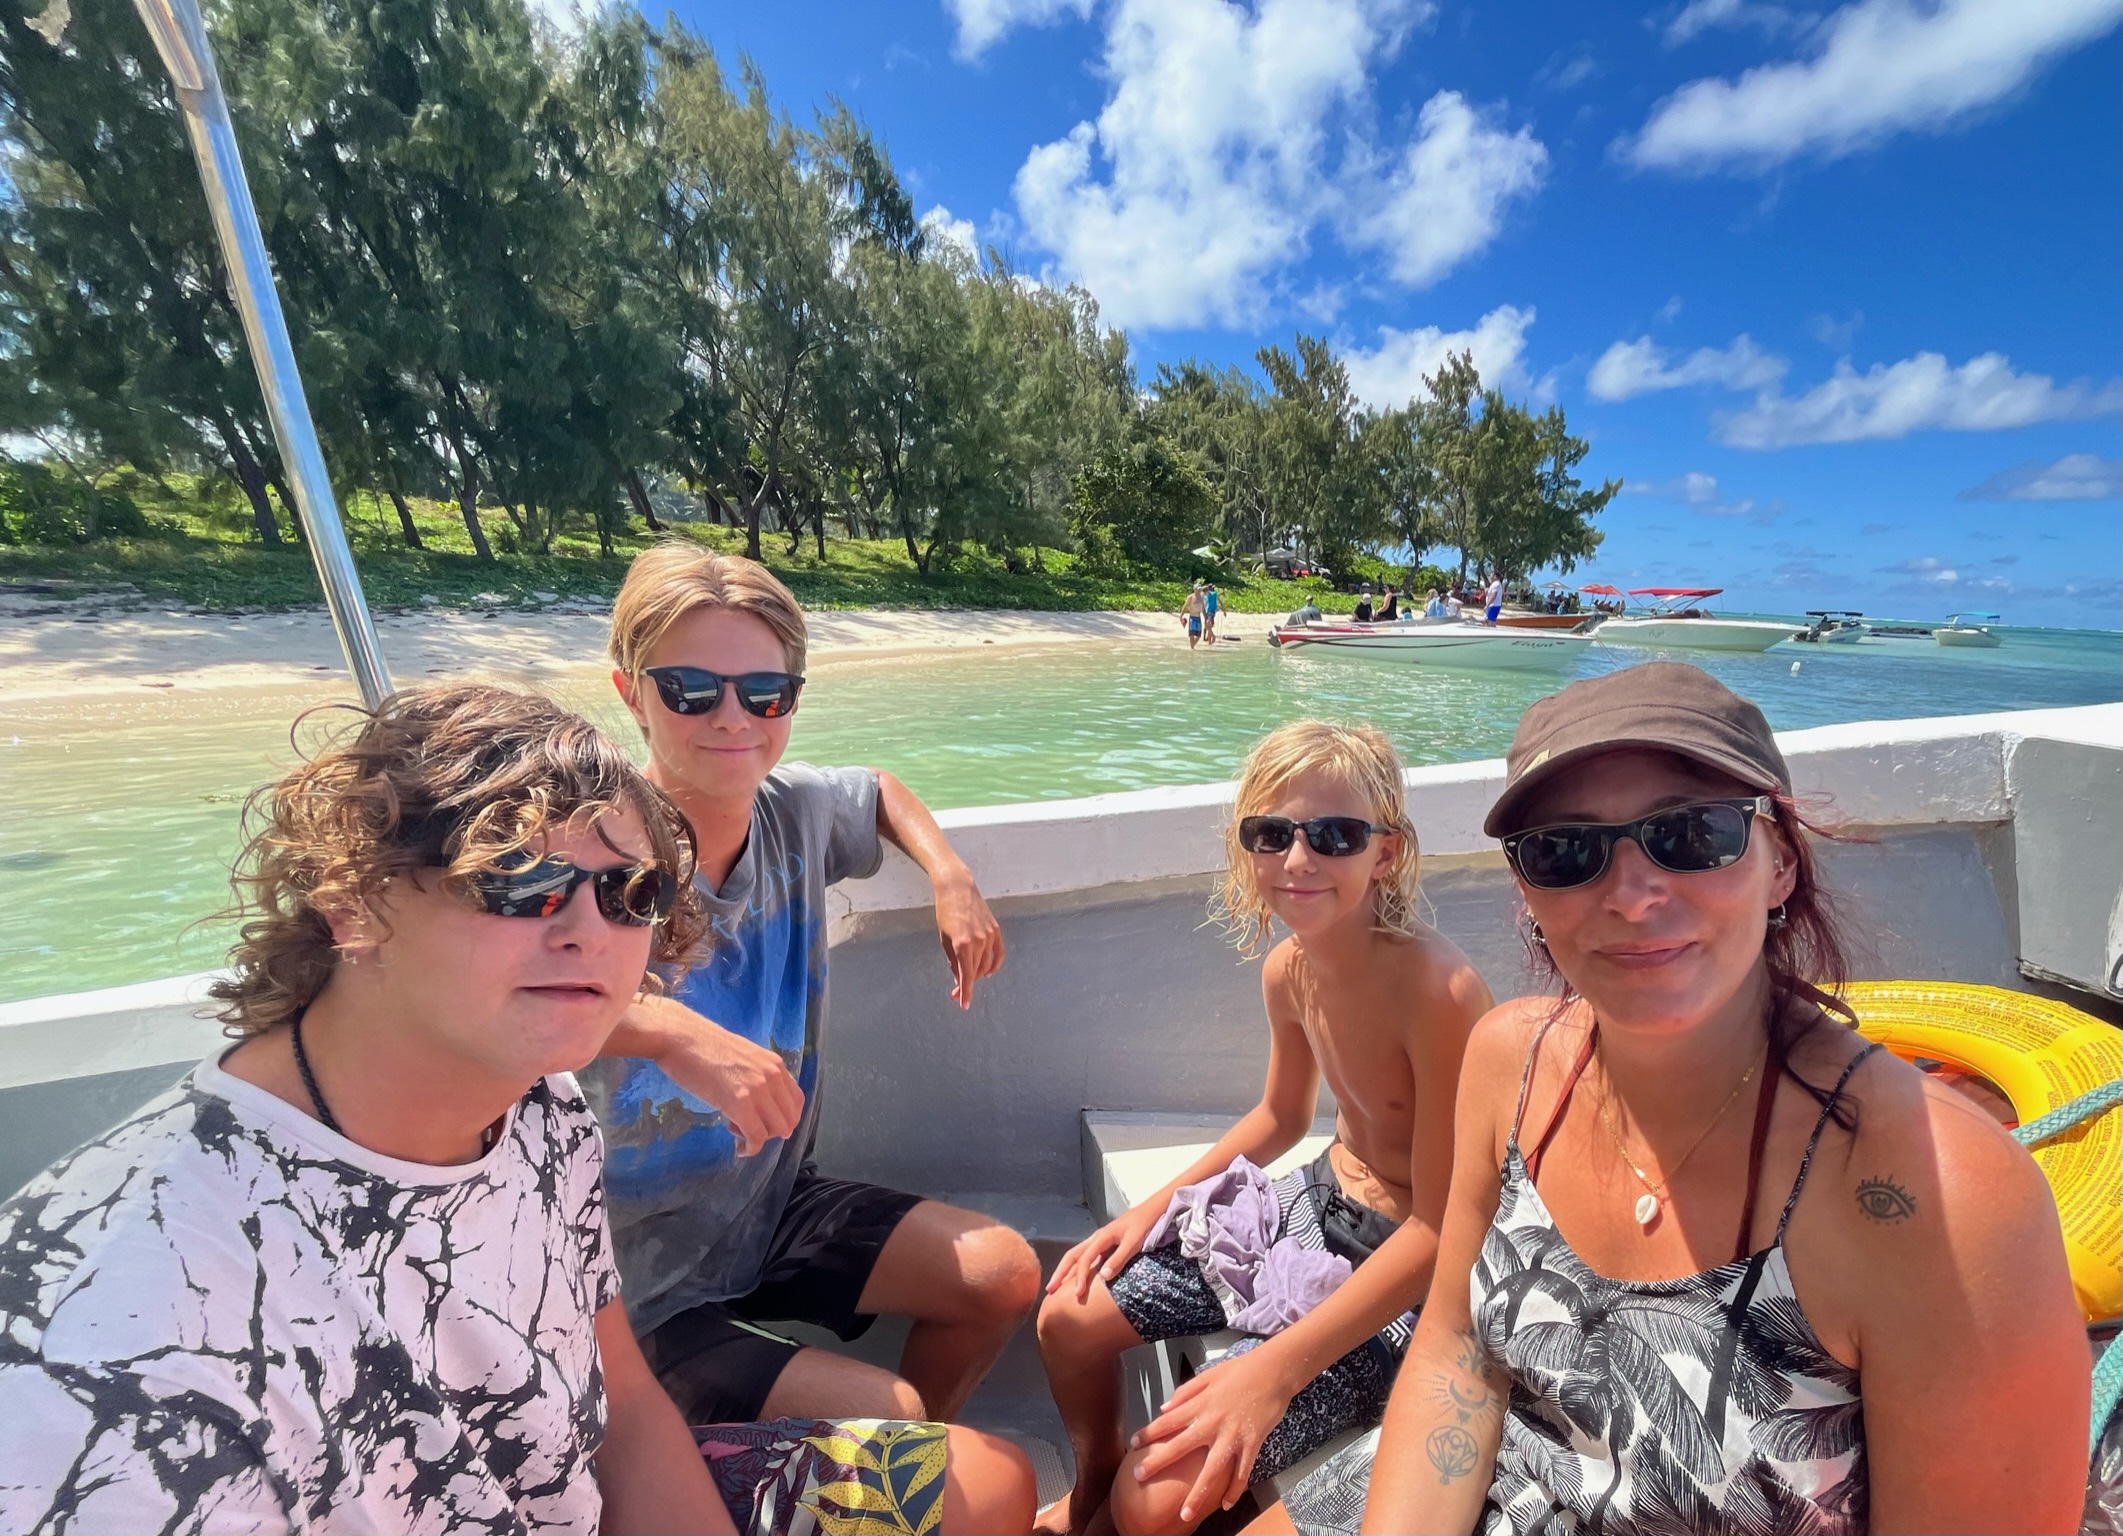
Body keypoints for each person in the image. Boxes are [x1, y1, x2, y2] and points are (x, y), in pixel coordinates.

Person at [0, 684, 1035, 1535]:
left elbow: (621, 1404)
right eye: (518, 882)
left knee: (987, 1483)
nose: (588, 931)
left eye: (629, 895)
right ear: (351, 902)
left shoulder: (540, 1112)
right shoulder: (114, 1325)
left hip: (570, 1490)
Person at [1347, 662, 2087, 1535]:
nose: (1630, 896)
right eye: (1564, 850)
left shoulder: (1942, 1197)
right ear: (1526, 891)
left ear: (1781, 864)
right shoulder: (1507, 1060)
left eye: (1691, 833)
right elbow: (1458, 1351)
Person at [589, 544, 1040, 1432]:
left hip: (766, 1201)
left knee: (1001, 1274)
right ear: (630, 693)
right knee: (887, 1411)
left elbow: (876, 790)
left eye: (765, 693)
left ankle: (923, 1479)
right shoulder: (591, 849)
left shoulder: (791, 810)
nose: (733, 718)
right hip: (629, 1274)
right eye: (690, 690)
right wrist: (671, 1031)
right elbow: (498, 1001)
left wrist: (949, 875)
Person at [1035, 720, 1493, 1535]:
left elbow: (1441, 1225)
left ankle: (1118, 1508)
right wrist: (1152, 1211)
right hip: (1311, 1204)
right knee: (1065, 1318)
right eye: (1271, 834)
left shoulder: (1437, 991)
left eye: (1334, 836)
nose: (1298, 859)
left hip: (1402, 1271)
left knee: (1156, 1495)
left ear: (1384, 853)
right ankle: (1089, 1486)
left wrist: (1275, 1372)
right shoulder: (1289, 968)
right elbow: (1281, 1118)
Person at [1185, 582, 1208, 649]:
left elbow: (1203, 609)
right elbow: (1185, 606)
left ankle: (1192, 646)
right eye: (1198, 589)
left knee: (1198, 635)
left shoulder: (1201, 598)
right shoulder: (1191, 597)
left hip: (1198, 617)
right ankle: (1192, 647)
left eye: (1199, 589)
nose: (1199, 591)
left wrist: (1205, 618)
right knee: (1192, 634)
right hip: (1192, 617)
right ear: (1194, 589)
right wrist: (1181, 615)